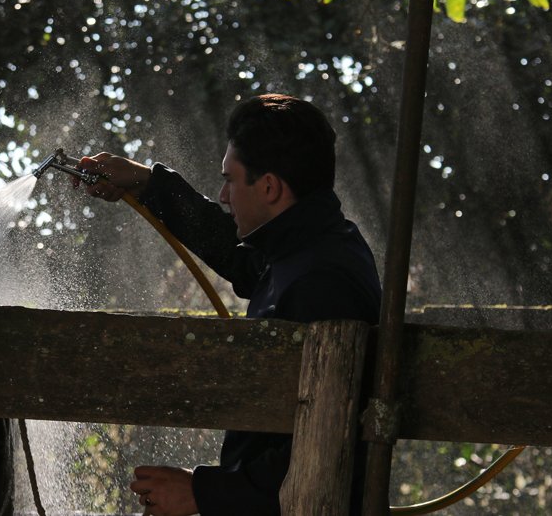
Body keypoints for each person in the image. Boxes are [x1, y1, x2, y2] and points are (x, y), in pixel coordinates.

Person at [75, 94, 382, 516]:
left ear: (269, 187)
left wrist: (201, 493)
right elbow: (237, 256)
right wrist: (148, 183)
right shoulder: (308, 247)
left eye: (230, 180)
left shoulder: (322, 280)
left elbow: (330, 449)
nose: (223, 195)